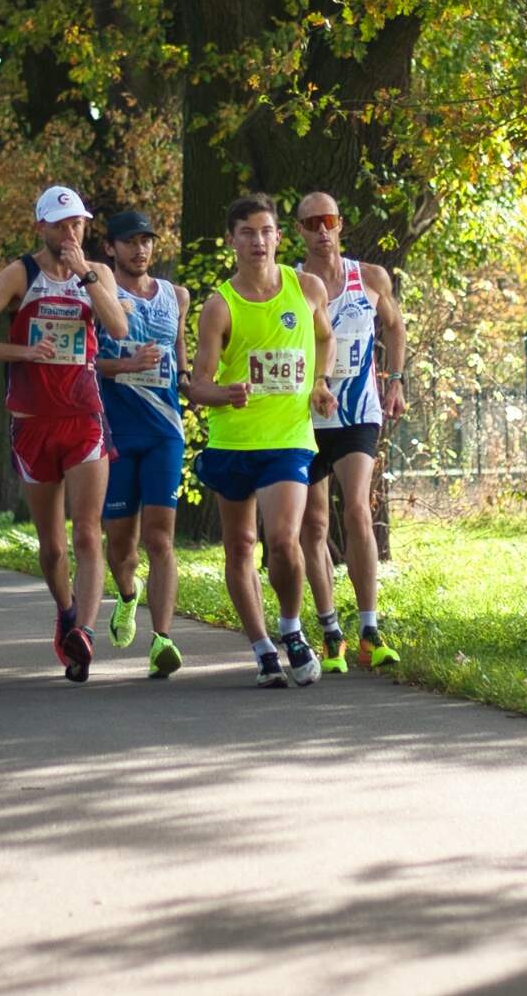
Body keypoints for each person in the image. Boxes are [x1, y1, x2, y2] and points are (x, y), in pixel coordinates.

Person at [0, 185, 129, 683]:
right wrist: (23, 353)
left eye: (77, 224)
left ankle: (86, 634)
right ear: (41, 228)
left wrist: (85, 274)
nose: (71, 233)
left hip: (84, 418)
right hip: (33, 423)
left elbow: (118, 328)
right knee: (52, 548)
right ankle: (67, 613)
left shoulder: (98, 273)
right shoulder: (19, 275)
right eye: (60, 225)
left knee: (87, 532)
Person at [187, 194, 337, 688]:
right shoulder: (220, 306)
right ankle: (262, 650)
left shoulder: (306, 287)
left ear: (279, 236)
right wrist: (225, 394)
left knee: (283, 540)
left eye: (266, 231)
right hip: (234, 442)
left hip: (288, 438)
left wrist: (320, 382)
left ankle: (291, 628)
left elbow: (325, 338)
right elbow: (197, 385)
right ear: (232, 241)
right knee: (239, 546)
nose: (258, 241)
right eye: (247, 233)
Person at [295, 192, 407, 671]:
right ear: (299, 231)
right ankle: (330, 631)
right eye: (311, 223)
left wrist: (395, 381)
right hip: (304, 417)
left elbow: (395, 326)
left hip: (359, 411)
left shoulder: (371, 278)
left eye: (329, 220)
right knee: (314, 524)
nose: (322, 231)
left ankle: (369, 628)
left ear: (340, 224)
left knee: (358, 508)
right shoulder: (292, 284)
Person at [94, 209, 190, 679]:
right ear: (110, 247)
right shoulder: (99, 292)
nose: (140, 249)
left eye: (146, 240)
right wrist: (125, 366)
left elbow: (181, 352)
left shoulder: (176, 295)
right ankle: (128, 595)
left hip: (165, 431)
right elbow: (85, 361)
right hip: (116, 432)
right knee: (121, 546)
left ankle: (163, 640)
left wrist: (191, 379)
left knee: (160, 538)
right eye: (130, 241)